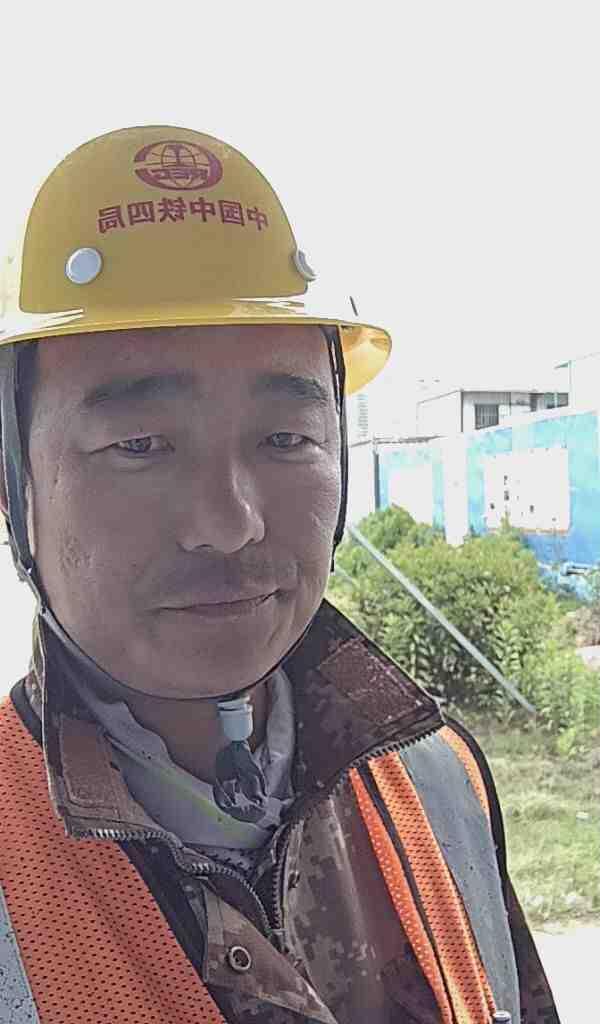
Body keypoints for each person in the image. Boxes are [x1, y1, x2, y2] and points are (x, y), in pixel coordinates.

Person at [0, 126, 559, 1024]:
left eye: (286, 439)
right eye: (140, 445)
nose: (230, 524)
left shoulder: (439, 782)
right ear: (13, 485)